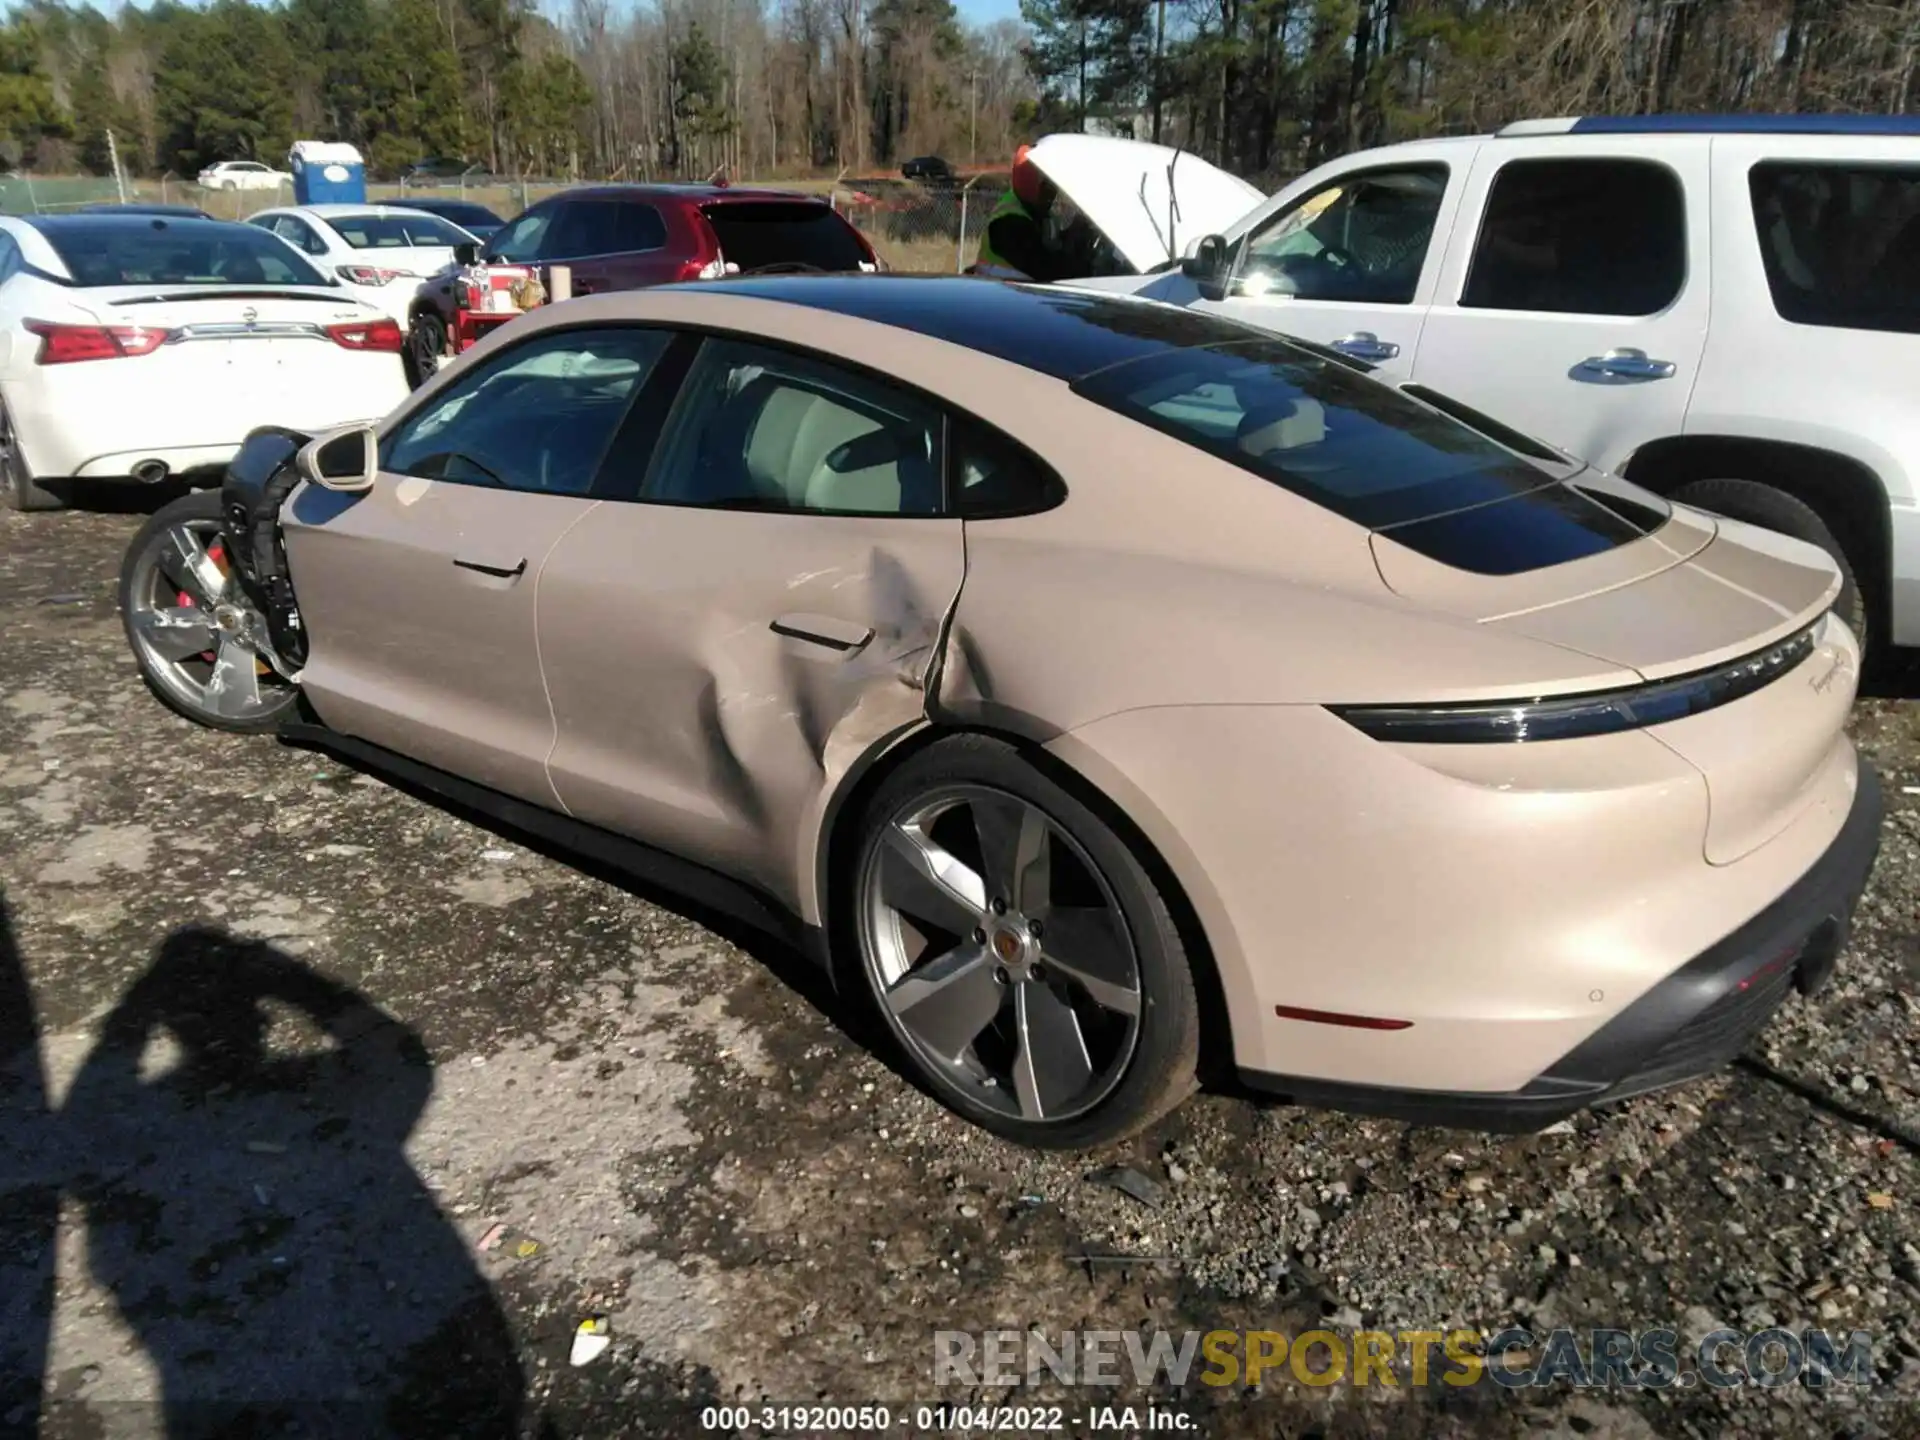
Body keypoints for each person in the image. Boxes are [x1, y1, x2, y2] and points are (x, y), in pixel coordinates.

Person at [973, 144, 1084, 283]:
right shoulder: (1008, 222)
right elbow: (1045, 267)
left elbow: (1052, 247)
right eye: (1048, 186)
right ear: (1032, 184)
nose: (1053, 194)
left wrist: (1074, 232)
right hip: (1001, 298)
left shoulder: (1037, 212)